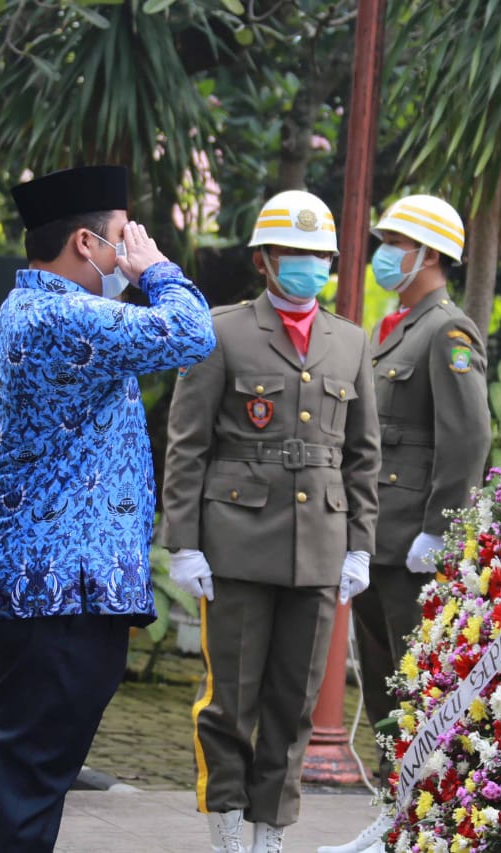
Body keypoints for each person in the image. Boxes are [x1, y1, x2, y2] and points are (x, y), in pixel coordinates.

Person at [0, 165, 216, 853]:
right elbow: (192, 332)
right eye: (124, 239)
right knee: (29, 791)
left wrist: (133, 276)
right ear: (88, 243)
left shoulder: (17, 315)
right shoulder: (65, 316)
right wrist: (157, 270)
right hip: (60, 596)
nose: (131, 251)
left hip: (14, 587)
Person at [161, 190, 380, 853]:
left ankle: (270, 830)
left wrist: (359, 546)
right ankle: (226, 820)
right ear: (264, 259)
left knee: (294, 701)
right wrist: (183, 544)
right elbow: (187, 444)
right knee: (230, 697)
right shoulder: (222, 330)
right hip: (234, 543)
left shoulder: (350, 340)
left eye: (319, 257)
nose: (307, 266)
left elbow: (364, 454)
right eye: (294, 254)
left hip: (320, 548)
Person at [319, 196, 491, 853]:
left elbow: (469, 436)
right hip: (378, 541)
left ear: (428, 253)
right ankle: (395, 819)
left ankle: (418, 827)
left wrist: (441, 528)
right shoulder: (397, 329)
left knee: (416, 690)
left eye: (395, 241)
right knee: (391, 689)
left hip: (413, 547)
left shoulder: (446, 330)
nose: (384, 252)